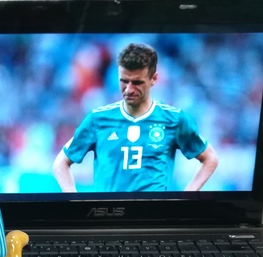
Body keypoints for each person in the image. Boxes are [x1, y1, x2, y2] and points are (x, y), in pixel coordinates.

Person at [53, 43, 219, 193]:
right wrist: (75, 200)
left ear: (153, 79)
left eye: (137, 82)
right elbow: (61, 162)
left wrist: (187, 196)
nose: (129, 89)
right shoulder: (98, 119)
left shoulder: (174, 119)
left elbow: (210, 158)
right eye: (124, 81)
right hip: (112, 214)